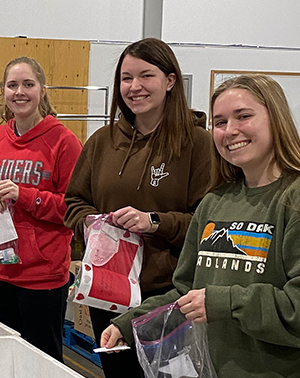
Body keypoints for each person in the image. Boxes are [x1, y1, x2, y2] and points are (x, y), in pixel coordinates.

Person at [101, 75, 300, 377]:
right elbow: (186, 292)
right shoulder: (215, 202)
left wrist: (225, 302)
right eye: (220, 122)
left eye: (243, 116)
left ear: (276, 120)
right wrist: (130, 322)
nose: (230, 131)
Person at [63, 38, 213, 377]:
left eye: (146, 76)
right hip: (107, 290)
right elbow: (73, 201)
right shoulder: (102, 141)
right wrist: (93, 224)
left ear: (170, 81)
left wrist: (155, 222)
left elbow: (209, 224)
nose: (135, 87)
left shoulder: (198, 144)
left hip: (166, 294)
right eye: (126, 78)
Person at [0, 56, 82, 361]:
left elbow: (73, 208)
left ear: (42, 90)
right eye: (12, 85)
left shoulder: (63, 142)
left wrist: (26, 196)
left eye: (28, 84)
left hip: (40, 277)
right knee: (0, 358)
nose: (19, 92)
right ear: (4, 92)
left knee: (40, 361)